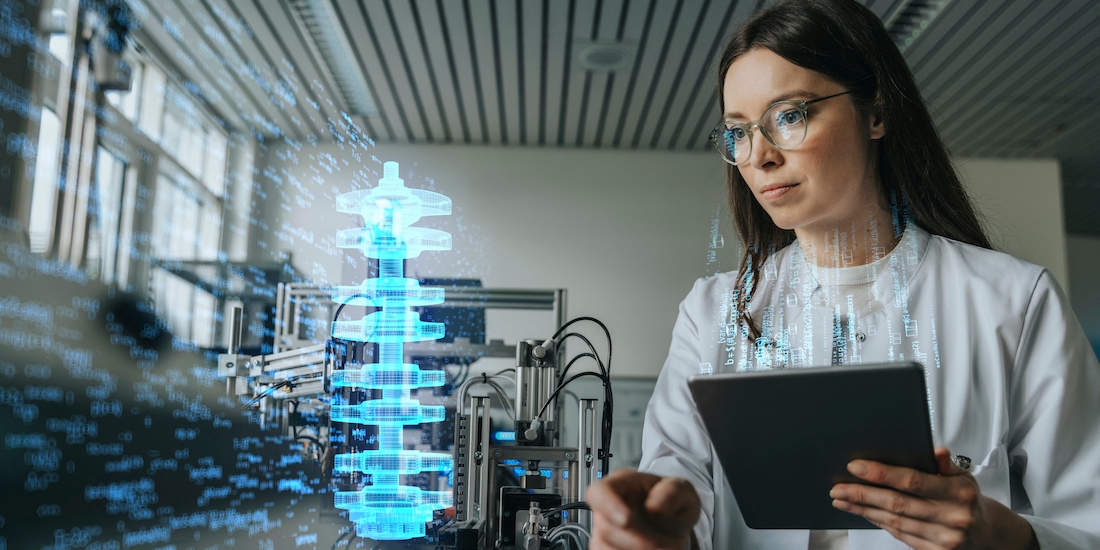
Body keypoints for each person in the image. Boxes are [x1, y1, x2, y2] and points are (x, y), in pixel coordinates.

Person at [586, 0, 1100, 549]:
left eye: (789, 115)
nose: (758, 156)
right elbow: (681, 506)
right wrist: (650, 534)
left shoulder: (1013, 304)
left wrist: (1003, 537)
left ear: (876, 113)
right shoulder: (712, 315)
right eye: (739, 131)